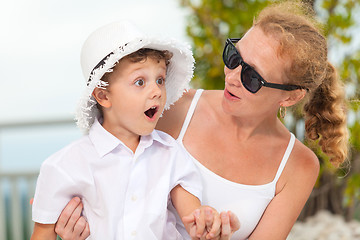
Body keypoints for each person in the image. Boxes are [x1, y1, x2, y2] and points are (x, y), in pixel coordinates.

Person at [54, 1, 349, 239]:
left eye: (252, 77)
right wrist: (74, 225)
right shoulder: (175, 108)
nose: (231, 77)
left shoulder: (298, 165)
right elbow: (99, 175)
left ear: (290, 97)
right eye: (234, 57)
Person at [31, 21, 233, 240]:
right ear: (103, 96)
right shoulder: (64, 166)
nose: (156, 91)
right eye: (139, 82)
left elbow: (193, 215)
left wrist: (205, 220)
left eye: (160, 80)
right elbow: (43, 234)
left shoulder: (170, 153)